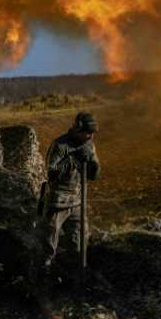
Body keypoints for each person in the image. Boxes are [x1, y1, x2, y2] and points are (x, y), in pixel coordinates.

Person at [39, 111, 100, 275]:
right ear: (77, 128)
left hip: (77, 202)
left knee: (78, 243)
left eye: (92, 133)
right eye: (87, 132)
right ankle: (44, 277)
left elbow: (94, 176)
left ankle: (76, 277)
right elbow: (50, 172)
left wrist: (93, 164)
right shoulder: (60, 145)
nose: (90, 136)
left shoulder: (89, 145)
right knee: (48, 245)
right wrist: (72, 161)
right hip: (57, 202)